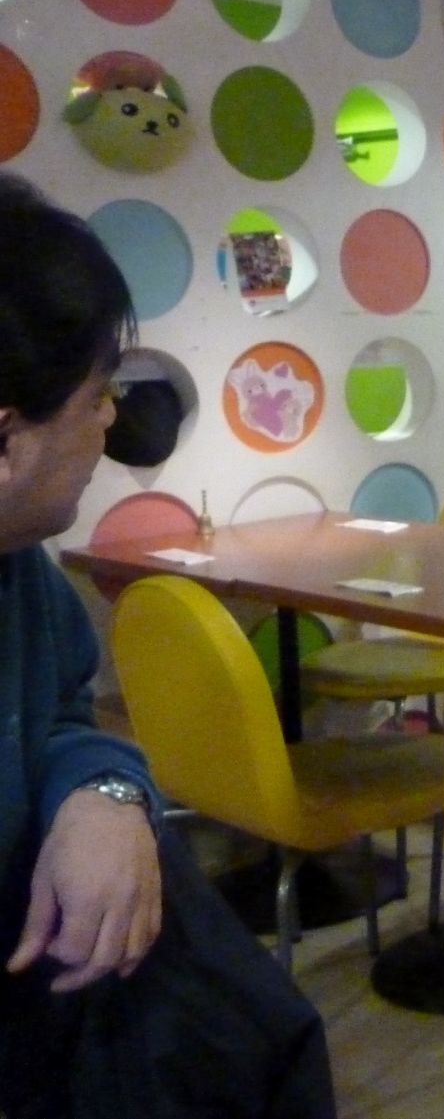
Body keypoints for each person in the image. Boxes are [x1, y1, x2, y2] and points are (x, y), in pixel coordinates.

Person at [0, 171, 335, 1116]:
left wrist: (102, 793)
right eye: (97, 394)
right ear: (7, 440)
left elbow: (64, 711)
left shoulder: (20, 565)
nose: (111, 420)